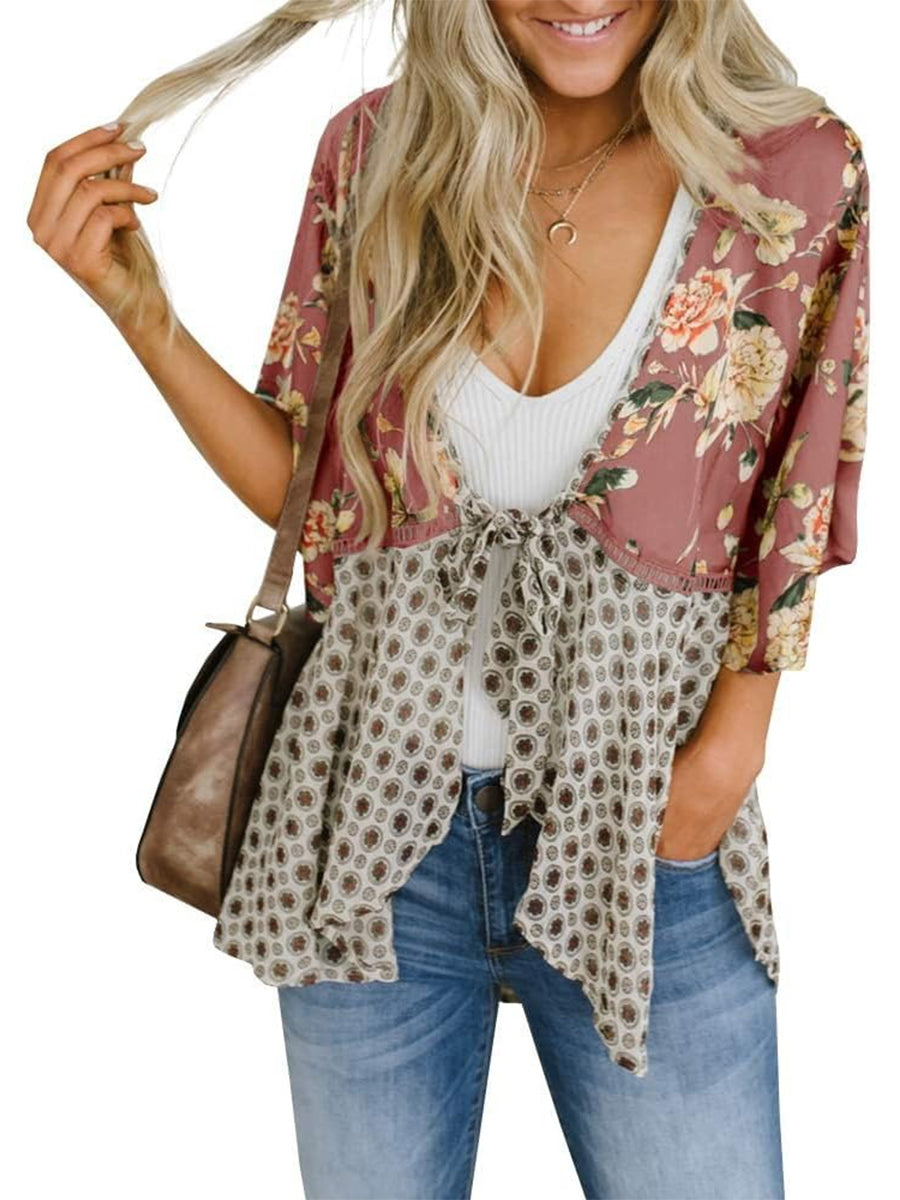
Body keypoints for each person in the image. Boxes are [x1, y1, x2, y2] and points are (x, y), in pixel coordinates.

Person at [27, 2, 869, 1197]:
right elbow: (316, 494)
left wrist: (728, 756)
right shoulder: (376, 153)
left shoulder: (791, 172)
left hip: (641, 829)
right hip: (370, 831)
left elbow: (800, 493)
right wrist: (136, 307)